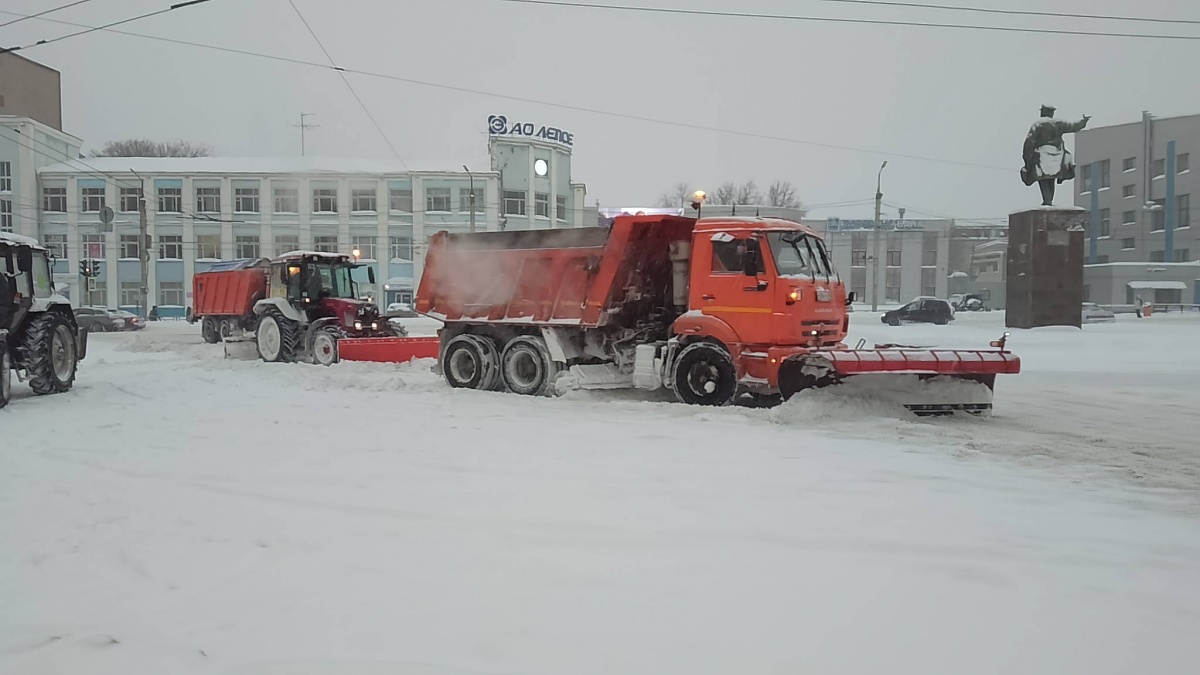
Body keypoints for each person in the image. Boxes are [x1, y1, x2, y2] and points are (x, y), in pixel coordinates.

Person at [1021, 105, 1090, 206]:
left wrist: (1027, 156)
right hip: (1057, 154)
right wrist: (1083, 121)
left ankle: (1047, 201)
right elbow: (1074, 126)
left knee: (1043, 178)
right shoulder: (1058, 123)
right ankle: (1049, 201)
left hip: (1042, 154)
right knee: (1052, 178)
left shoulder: (1038, 124)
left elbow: (1030, 141)